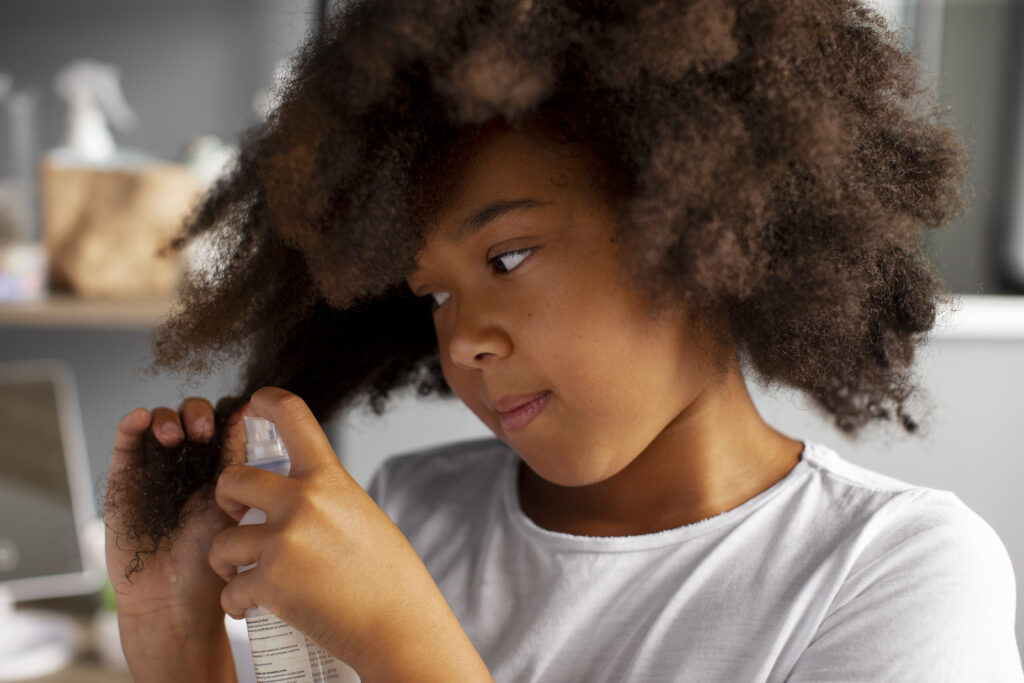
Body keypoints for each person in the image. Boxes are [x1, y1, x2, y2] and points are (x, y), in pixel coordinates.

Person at [104, 0, 1023, 681]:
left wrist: (401, 640)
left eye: (508, 257)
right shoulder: (414, 511)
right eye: (431, 297)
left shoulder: (900, 569)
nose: (463, 342)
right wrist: (173, 639)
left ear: (696, 229)